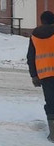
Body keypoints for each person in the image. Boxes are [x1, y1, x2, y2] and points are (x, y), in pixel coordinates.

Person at [28, 10, 54, 142]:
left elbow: (30, 57)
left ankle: (53, 134)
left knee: (50, 102)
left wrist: (34, 76)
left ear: (42, 21)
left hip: (44, 74)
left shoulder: (34, 36)